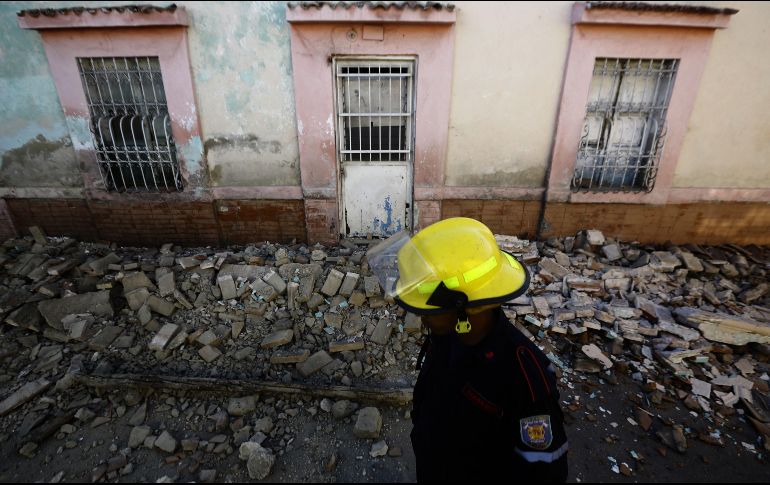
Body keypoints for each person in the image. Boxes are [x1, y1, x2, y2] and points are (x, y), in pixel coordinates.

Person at [367, 217, 568, 483]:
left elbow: (543, 472)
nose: (421, 318)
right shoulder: (448, 338)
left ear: (464, 308)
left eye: (428, 310)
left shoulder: (525, 377)